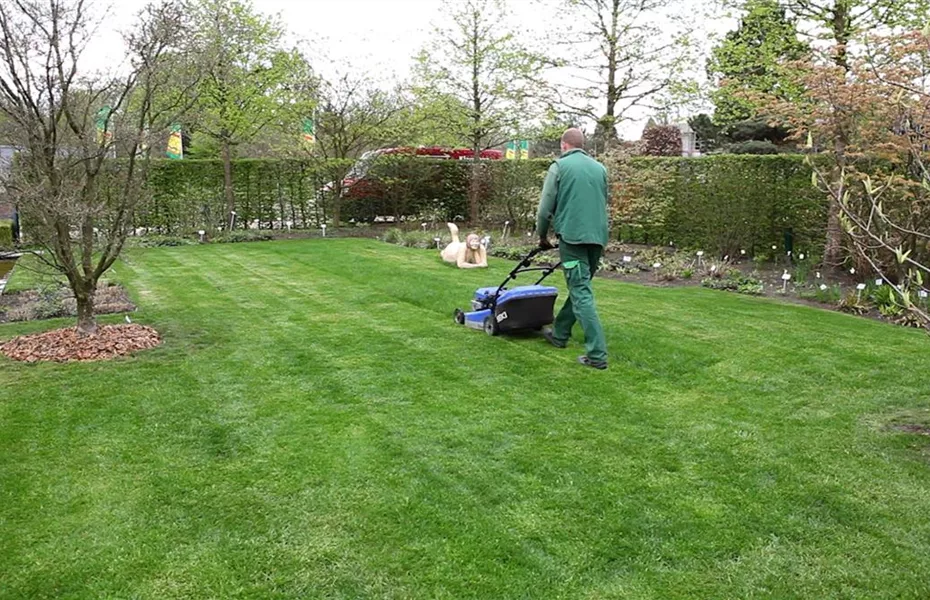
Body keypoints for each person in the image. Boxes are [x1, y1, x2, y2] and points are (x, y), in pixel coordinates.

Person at [536, 128, 609, 370]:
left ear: (563, 145)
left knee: (581, 293)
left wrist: (542, 236)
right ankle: (559, 333)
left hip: (573, 238)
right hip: (597, 238)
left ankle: (597, 354)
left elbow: (545, 206)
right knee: (581, 288)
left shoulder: (560, 166)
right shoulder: (600, 168)